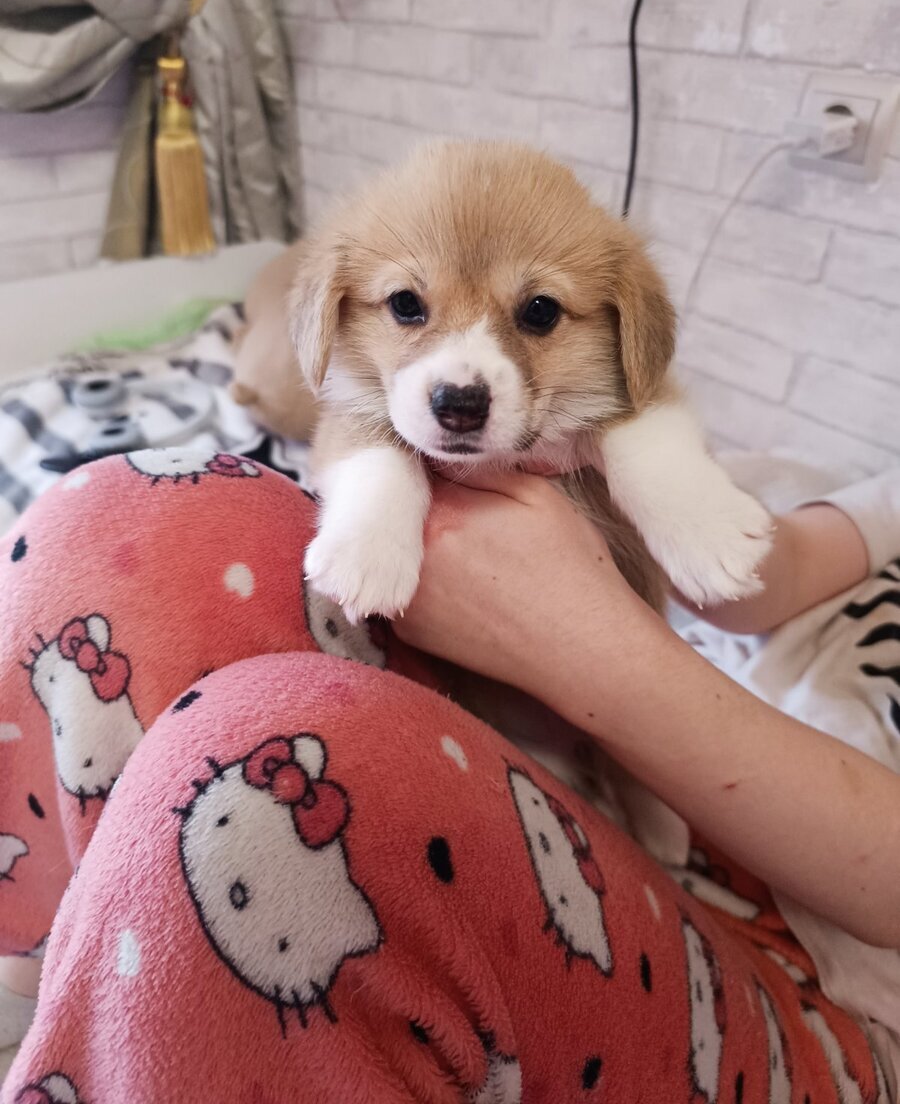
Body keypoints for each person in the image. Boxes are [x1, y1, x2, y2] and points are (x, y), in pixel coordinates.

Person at [0, 451, 896, 1102]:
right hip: (677, 813)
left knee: (300, 775)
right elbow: (767, 569)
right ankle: (79, 1012)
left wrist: (588, 645)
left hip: (837, 1002)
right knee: (128, 524)